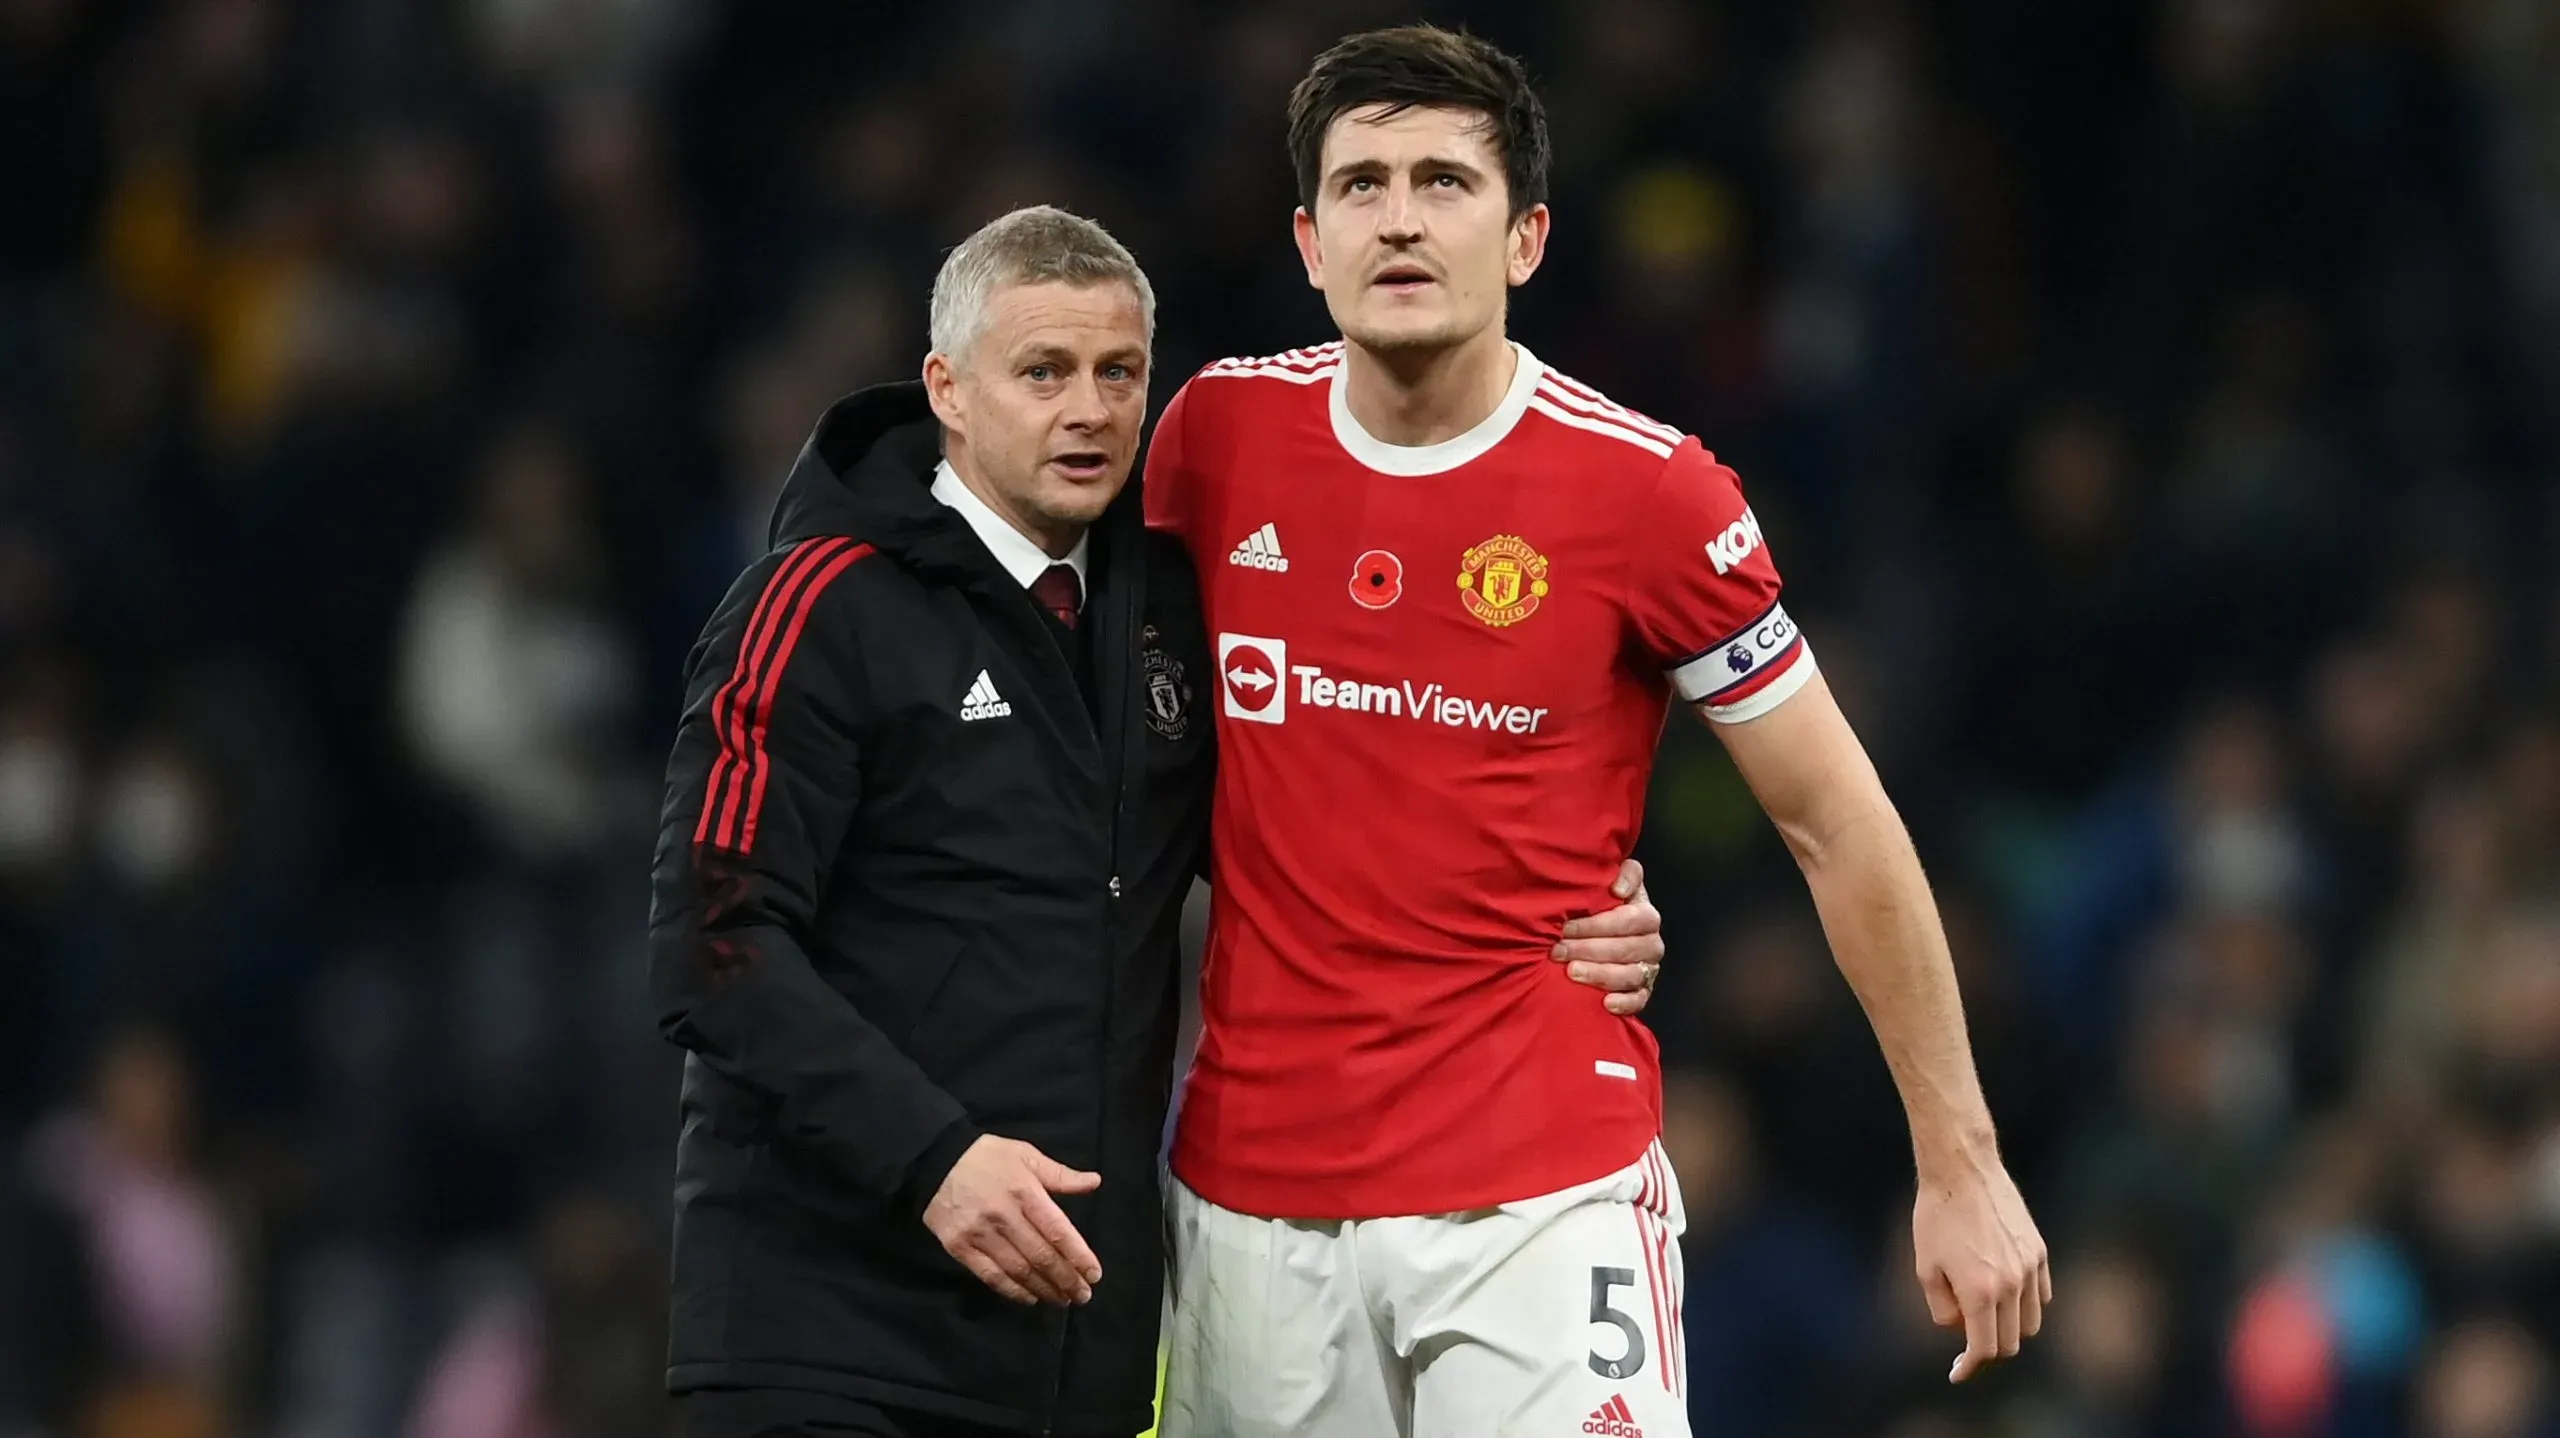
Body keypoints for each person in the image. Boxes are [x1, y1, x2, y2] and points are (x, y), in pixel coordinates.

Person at [1142, 27, 2052, 1438]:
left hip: (1534, 1193)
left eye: (1446, 180)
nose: (1401, 215)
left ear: (1529, 238)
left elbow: (1835, 817)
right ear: (1310, 242)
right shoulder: (1212, 442)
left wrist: (1962, 1157)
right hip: (1249, 1203)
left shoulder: (1645, 493)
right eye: (1364, 182)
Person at [647, 206, 1667, 1438]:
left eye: (1118, 373)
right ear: (947, 390)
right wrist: (934, 1160)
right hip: (825, 1344)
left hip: (1072, 1355)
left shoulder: (1171, 611)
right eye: (1043, 372)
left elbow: (1319, 828)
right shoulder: (818, 602)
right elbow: (712, 948)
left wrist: (1576, 904)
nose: (1088, 408)